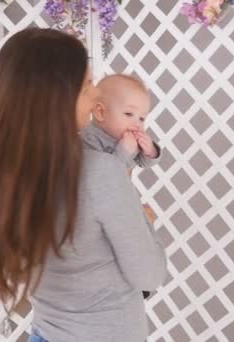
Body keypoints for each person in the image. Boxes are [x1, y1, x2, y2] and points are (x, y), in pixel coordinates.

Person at [0, 27, 167, 342]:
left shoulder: (4, 172)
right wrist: (144, 220)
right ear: (57, 98)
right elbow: (149, 274)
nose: (97, 94)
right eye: (87, 85)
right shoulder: (99, 171)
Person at [80, 73, 162, 300]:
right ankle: (138, 284)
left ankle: (145, 285)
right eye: (129, 114)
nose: (136, 123)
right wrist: (124, 151)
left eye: (142, 118)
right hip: (104, 209)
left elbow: (144, 162)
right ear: (100, 112)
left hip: (124, 202)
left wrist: (150, 151)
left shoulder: (126, 137)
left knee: (141, 237)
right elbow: (102, 176)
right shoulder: (88, 139)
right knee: (119, 245)